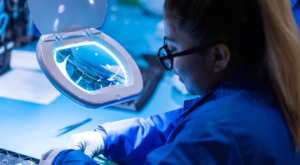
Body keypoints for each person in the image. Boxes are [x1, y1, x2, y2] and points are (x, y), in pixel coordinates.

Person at [40, 0, 300, 164]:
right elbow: (176, 126)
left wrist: (63, 161)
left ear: (218, 56)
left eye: (173, 48)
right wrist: (108, 138)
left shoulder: (217, 132)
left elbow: (199, 138)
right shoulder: (257, 87)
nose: (170, 62)